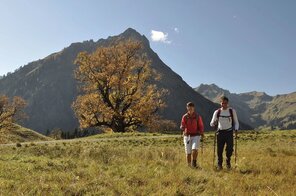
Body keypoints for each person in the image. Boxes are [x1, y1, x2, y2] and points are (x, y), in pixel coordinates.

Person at [210, 96, 239, 170]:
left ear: (227, 103)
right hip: (220, 132)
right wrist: (214, 123)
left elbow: (236, 122)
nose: (224, 105)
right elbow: (211, 123)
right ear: (220, 103)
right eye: (223, 103)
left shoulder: (232, 111)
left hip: (229, 132)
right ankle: (219, 165)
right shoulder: (217, 112)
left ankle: (228, 161)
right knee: (219, 150)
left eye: (225, 103)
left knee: (230, 149)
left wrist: (236, 129)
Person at [180, 102, 204, 168]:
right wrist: (183, 129)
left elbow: (201, 126)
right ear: (187, 108)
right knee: (188, 152)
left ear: (194, 108)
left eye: (191, 108)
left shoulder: (197, 117)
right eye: (189, 107)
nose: (190, 109)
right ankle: (189, 166)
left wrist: (201, 132)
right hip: (187, 136)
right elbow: (182, 125)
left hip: (196, 135)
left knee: (194, 149)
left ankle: (194, 163)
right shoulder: (185, 117)